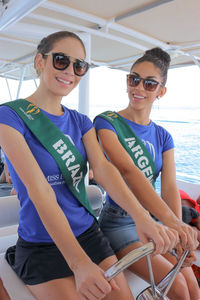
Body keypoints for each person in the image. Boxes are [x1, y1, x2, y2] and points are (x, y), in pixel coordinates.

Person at [0, 31, 181, 300]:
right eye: (61, 60)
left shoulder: (82, 122)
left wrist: (144, 219)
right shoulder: (10, 115)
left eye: (79, 65)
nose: (70, 71)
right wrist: (78, 263)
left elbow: (105, 171)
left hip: (89, 234)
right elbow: (40, 190)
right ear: (40, 61)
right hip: (41, 243)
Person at [94, 47, 200, 300]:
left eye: (150, 83)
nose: (139, 88)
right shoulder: (106, 122)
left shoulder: (163, 136)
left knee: (192, 285)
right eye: (134, 79)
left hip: (154, 220)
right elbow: (128, 171)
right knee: (177, 287)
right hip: (119, 220)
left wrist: (178, 232)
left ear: (161, 91)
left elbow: (169, 187)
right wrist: (173, 225)